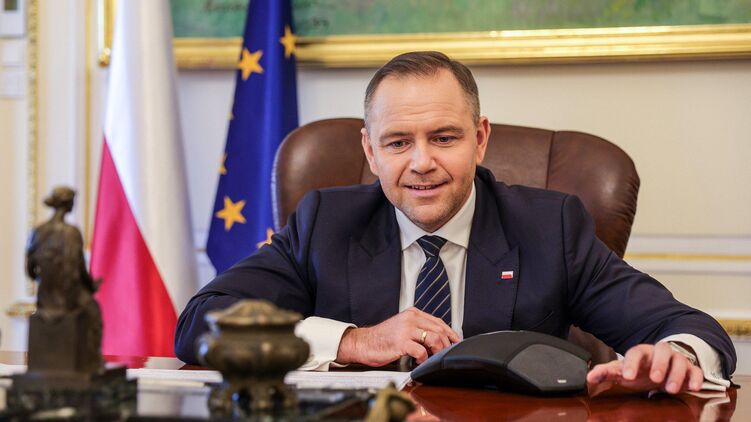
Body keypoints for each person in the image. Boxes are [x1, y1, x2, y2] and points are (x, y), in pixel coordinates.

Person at [176, 51, 736, 394]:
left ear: (480, 138)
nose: (421, 162)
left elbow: (695, 331)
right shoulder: (326, 222)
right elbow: (202, 323)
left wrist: (675, 359)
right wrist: (353, 340)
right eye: (398, 142)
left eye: (444, 137)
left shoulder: (551, 228)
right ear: (370, 152)